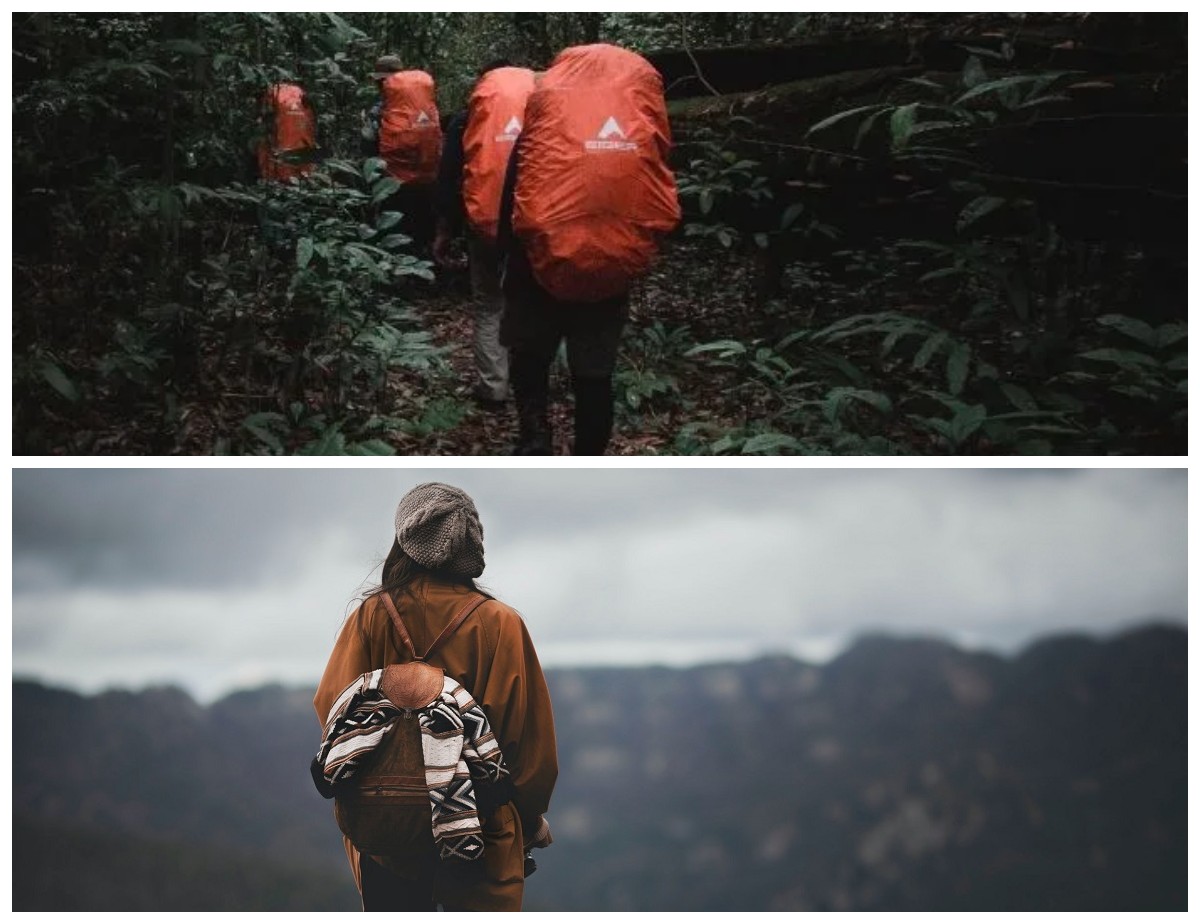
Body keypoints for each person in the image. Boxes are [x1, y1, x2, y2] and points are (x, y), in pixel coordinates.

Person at [314, 482, 558, 912]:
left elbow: (334, 710)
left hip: (387, 832)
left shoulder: (372, 615)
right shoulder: (500, 624)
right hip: (480, 834)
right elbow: (529, 746)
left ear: (405, 540)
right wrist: (528, 820)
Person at [496, 43, 679, 456]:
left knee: (529, 356)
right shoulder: (637, 126)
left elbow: (513, 194)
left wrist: (506, 253)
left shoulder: (541, 128)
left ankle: (535, 439)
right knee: (594, 374)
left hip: (536, 264)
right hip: (610, 267)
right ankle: (590, 455)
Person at [434, 60, 537, 410]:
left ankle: (494, 388)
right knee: (532, 303)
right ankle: (532, 386)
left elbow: (449, 177)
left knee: (490, 305)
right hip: (534, 225)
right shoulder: (546, 112)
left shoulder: (467, 120)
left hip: (486, 226)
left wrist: (444, 230)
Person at [361, 54, 442, 252]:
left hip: (393, 183)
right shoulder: (426, 104)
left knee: (397, 234)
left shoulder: (379, 111)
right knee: (424, 231)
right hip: (428, 180)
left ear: (381, 81)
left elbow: (368, 146)